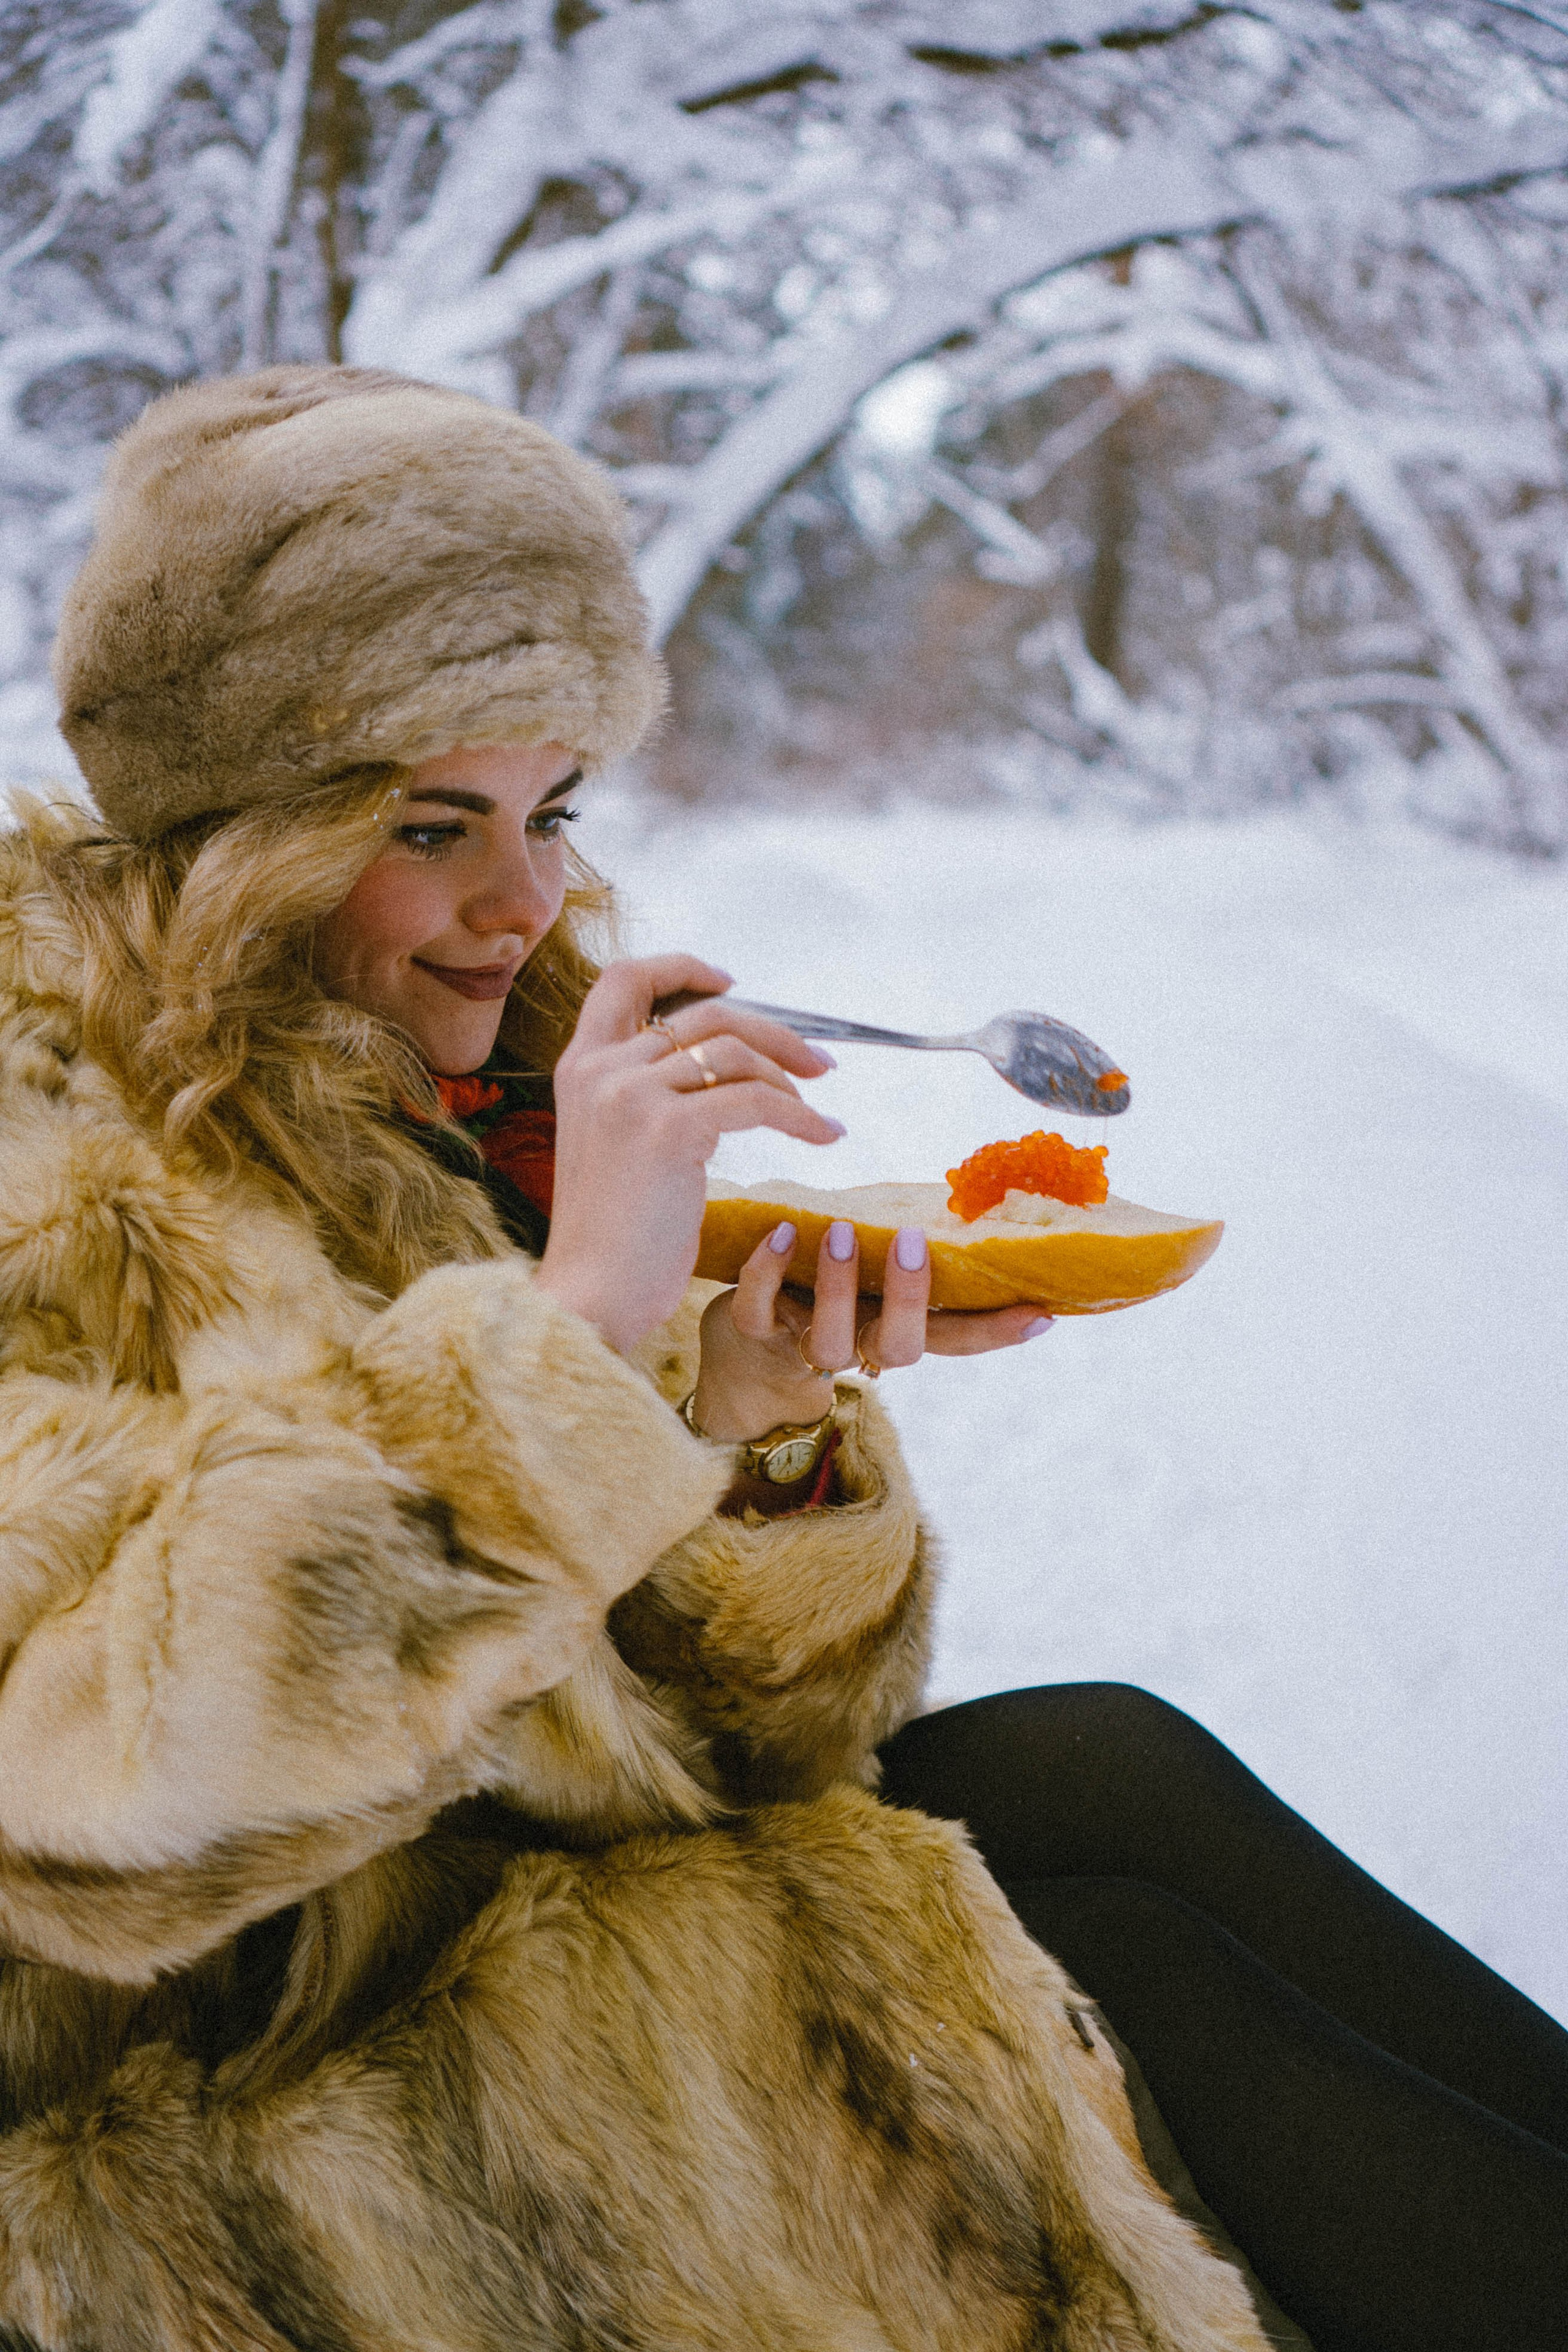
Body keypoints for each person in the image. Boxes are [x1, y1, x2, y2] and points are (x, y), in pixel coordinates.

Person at [0, 365, 1557, 2352]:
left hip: (498, 1898)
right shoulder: (48, 1138)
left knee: (1103, 1767)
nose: (528, 900)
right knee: (1034, 2007)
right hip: (240, 2068)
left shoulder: (450, 1085)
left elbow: (707, 1740)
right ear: (240, 821)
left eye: (552, 809)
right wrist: (573, 1337)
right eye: (432, 823)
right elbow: (83, 1813)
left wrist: (742, 1421)